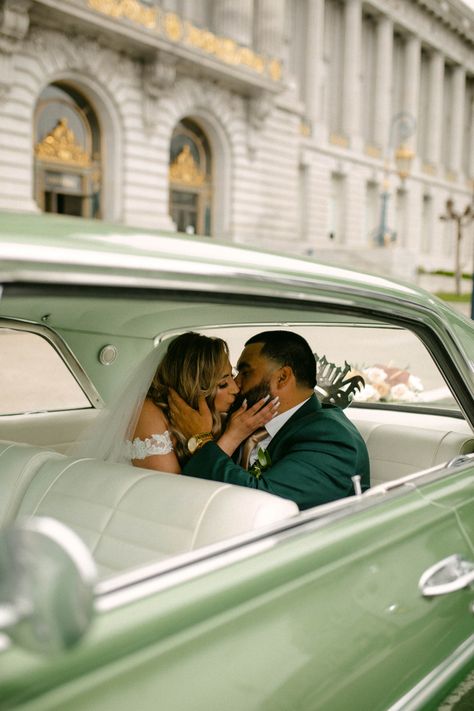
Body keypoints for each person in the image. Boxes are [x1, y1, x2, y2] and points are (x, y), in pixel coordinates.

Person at [168, 330, 370, 510]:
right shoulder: (243, 419)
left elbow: (260, 501)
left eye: (245, 373)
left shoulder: (331, 436)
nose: (236, 385)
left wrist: (201, 441)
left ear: (282, 377)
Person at [129, 331, 278, 473]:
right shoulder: (148, 412)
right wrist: (233, 437)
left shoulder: (220, 418)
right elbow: (177, 493)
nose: (236, 388)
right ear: (195, 387)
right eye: (223, 384)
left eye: (231, 376)